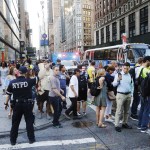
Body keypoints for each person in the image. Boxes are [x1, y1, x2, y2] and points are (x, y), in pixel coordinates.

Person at [5, 66, 38, 145]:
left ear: (18, 72)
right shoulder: (29, 81)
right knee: (29, 122)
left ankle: (13, 141)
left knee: (15, 123)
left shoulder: (12, 82)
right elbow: (39, 77)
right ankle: (31, 139)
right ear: (26, 72)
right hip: (27, 104)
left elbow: (8, 95)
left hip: (17, 105)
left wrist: (6, 103)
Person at [113, 62, 134, 132]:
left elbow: (132, 85)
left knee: (127, 110)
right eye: (124, 68)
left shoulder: (130, 75)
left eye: (127, 68)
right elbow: (114, 84)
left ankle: (124, 123)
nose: (126, 70)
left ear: (129, 68)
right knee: (119, 111)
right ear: (122, 68)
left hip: (128, 95)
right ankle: (116, 125)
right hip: (120, 94)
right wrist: (118, 80)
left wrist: (131, 93)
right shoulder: (118, 75)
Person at [137, 56, 150, 132]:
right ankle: (144, 126)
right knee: (146, 109)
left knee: (142, 108)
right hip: (147, 93)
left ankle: (140, 124)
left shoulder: (141, 69)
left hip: (142, 91)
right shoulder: (146, 70)